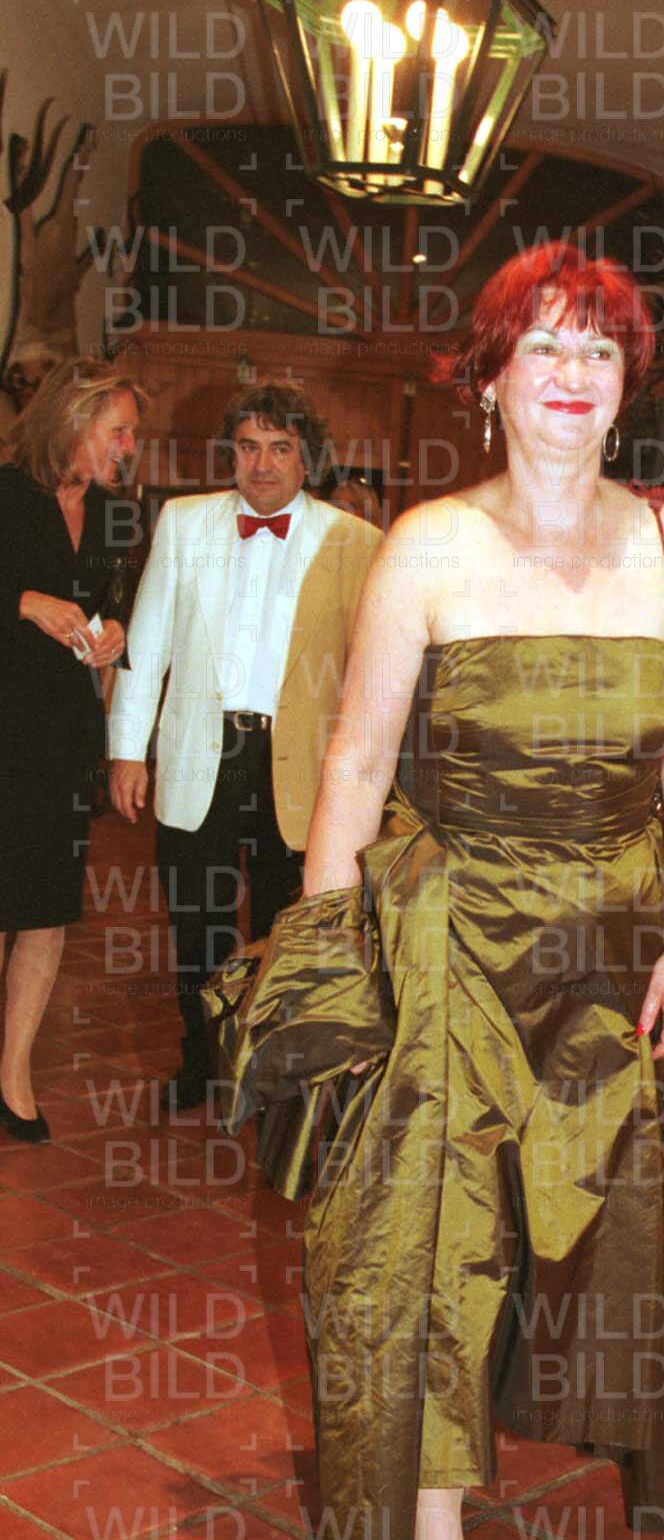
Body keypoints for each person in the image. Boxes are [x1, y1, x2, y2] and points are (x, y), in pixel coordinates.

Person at [210, 242, 664, 1540]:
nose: (570, 375)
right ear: (490, 378)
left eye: (599, 351)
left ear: (626, 386)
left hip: (606, 955)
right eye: (541, 347)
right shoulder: (428, 547)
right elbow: (357, 760)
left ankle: (604, 1431)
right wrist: (332, 967)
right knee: (427, 1254)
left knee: (586, 1218)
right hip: (452, 947)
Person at [107, 382, 382, 1111]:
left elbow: (372, 672)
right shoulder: (183, 522)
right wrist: (127, 751)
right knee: (195, 920)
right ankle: (200, 1061)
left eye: (280, 448)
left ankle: (270, 1072)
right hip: (201, 754)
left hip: (299, 767)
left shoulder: (354, 541)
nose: (262, 464)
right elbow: (147, 645)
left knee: (284, 927)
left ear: (306, 459)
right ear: (230, 454)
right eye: (249, 446)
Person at [0, 357, 143, 1142]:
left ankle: (13, 1074)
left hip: (62, 736)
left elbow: (120, 600)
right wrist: (23, 602)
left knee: (46, 910)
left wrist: (116, 629)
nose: (128, 446)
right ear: (73, 420)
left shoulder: (118, 514)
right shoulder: (5, 494)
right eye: (117, 430)